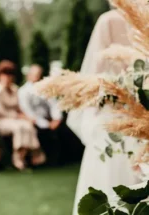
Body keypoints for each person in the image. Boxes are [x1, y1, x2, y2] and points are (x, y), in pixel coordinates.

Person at [69, 9, 139, 215]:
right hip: (129, 119)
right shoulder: (114, 21)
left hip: (117, 119)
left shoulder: (108, 21)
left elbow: (95, 73)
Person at [0, 60, 45, 170]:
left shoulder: (15, 89)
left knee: (28, 126)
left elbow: (21, 107)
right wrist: (18, 116)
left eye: (9, 75)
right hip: (1, 120)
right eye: (4, 75)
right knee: (19, 127)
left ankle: (25, 155)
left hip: (17, 118)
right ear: (0, 76)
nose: (7, 78)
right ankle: (17, 158)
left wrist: (27, 117)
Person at [18, 65, 63, 166]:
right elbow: (28, 111)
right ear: (28, 76)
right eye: (34, 75)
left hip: (49, 119)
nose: (36, 77)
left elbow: (54, 105)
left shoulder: (46, 88)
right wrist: (47, 124)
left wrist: (56, 119)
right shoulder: (23, 91)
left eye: (38, 74)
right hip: (35, 120)